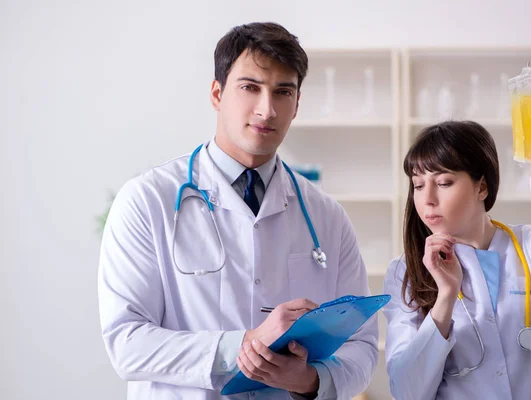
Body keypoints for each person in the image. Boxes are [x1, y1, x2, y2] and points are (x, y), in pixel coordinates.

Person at [98, 22, 378, 400]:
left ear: (296, 105)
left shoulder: (327, 217)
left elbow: (362, 347)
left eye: (283, 92)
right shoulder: (147, 201)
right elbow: (127, 342)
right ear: (217, 94)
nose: (267, 109)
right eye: (250, 88)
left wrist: (308, 381)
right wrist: (245, 347)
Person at [383, 120, 531, 399]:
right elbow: (407, 391)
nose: (428, 199)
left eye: (443, 182)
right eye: (418, 185)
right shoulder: (406, 273)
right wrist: (445, 297)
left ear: (482, 187)